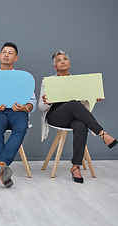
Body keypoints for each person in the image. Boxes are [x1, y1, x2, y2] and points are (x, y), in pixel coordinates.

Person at [38, 50, 117, 183]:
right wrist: (48, 101)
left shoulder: (78, 81)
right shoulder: (48, 81)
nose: (62, 61)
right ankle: (103, 134)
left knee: (81, 125)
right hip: (55, 115)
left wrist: (93, 98)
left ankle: (76, 167)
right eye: (59, 60)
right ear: (55, 67)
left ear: (69, 63)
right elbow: (41, 106)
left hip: (75, 115)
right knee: (73, 104)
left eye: (65, 59)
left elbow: (85, 107)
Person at [0, 42, 37, 188]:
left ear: (15, 58)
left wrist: (25, 107)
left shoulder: (23, 78)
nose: (6, 55)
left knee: (21, 128)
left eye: (10, 53)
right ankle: (3, 168)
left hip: (18, 111)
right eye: (4, 52)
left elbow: (32, 102)